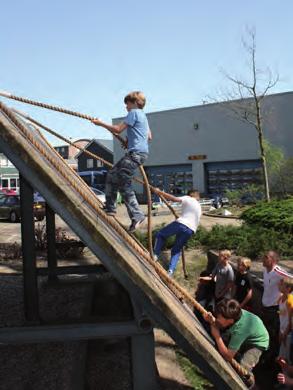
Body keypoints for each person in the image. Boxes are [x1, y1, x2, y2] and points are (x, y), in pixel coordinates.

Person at [92, 91, 152, 232]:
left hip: (135, 154)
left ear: (135, 103)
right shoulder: (144, 116)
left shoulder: (134, 113)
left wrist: (100, 123)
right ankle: (111, 208)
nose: (126, 107)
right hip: (141, 153)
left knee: (124, 184)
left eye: (128, 104)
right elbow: (149, 136)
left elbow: (117, 129)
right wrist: (129, 140)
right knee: (112, 175)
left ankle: (137, 215)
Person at [204, 299, 269, 375]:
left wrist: (217, 337)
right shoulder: (233, 315)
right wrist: (211, 321)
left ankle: (250, 382)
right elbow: (220, 325)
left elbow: (228, 357)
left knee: (242, 371)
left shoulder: (240, 330)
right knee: (222, 344)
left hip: (258, 342)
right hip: (248, 332)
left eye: (219, 317)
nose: (217, 318)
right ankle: (237, 353)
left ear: (230, 321)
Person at [153, 189, 201, 276]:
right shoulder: (198, 205)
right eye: (199, 195)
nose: (199, 196)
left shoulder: (189, 198)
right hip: (191, 230)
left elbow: (174, 199)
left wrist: (159, 192)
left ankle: (155, 255)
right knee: (176, 250)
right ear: (195, 195)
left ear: (191, 194)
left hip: (182, 224)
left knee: (160, 235)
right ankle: (170, 271)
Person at [261, 251, 292, 365]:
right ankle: (265, 356)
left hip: (274, 309)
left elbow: (290, 280)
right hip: (265, 307)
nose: (263, 259)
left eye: (266, 257)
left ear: (273, 260)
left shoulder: (278, 271)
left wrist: (285, 295)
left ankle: (272, 362)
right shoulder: (265, 271)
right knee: (265, 333)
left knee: (274, 336)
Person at [277, 277, 293, 361]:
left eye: (281, 284)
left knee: (285, 358)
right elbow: (281, 316)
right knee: (281, 356)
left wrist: (285, 333)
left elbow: (290, 321)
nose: (279, 285)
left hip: (287, 333)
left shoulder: (290, 301)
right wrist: (280, 330)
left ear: (288, 288)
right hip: (282, 330)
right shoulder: (280, 298)